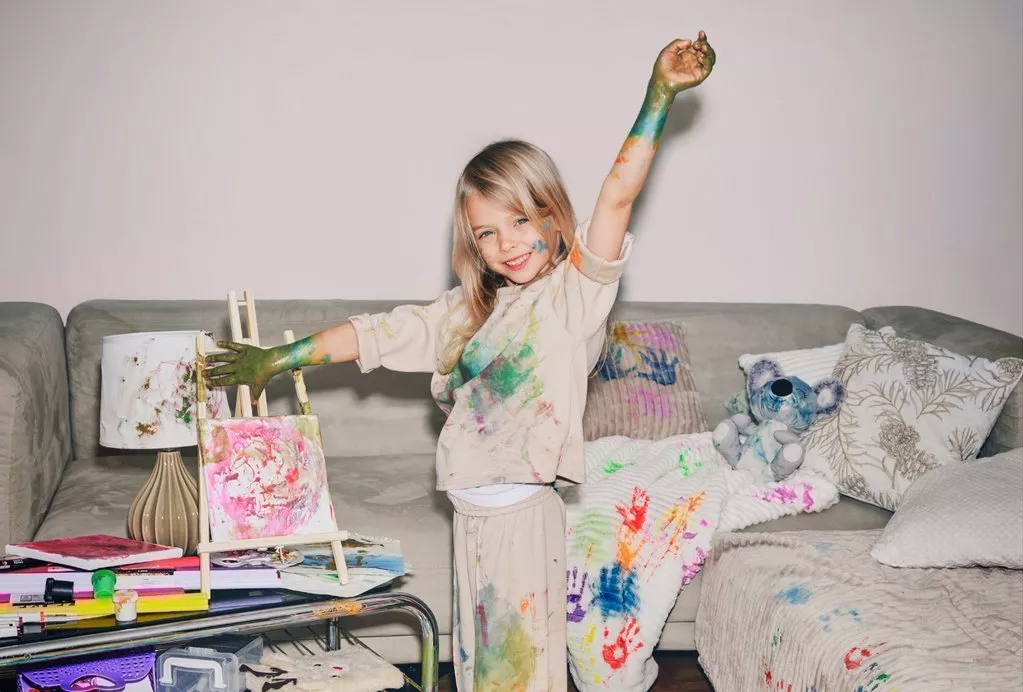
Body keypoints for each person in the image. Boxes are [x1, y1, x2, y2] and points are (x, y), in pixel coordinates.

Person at [205, 31, 714, 691]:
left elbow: (618, 194)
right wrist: (278, 358)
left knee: (517, 675)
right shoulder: (466, 313)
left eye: (522, 221)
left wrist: (659, 94)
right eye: (487, 232)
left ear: (553, 217)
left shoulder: (572, 297)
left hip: (520, 518)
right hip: (471, 516)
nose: (508, 243)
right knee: (477, 670)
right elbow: (373, 335)